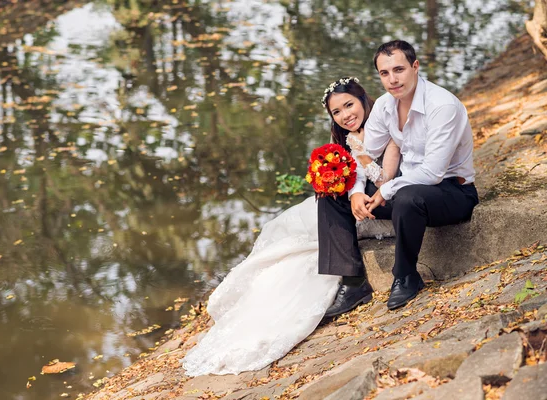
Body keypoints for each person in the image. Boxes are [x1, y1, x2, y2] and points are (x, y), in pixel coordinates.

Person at [181, 78, 400, 376]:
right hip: (364, 201)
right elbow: (353, 180)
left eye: (349, 105)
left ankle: (352, 283)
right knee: (301, 214)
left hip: (394, 198)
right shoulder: (346, 139)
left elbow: (385, 177)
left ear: (363, 100)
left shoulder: (385, 124)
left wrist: (358, 173)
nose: (345, 115)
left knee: (325, 207)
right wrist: (341, 184)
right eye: (336, 112)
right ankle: (337, 277)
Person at [320, 40, 479, 318]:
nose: (392, 80)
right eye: (384, 73)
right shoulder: (384, 106)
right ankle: (353, 282)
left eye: (399, 70)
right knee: (332, 193)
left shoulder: (442, 106)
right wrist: (357, 190)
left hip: (451, 192)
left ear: (415, 67)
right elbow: (366, 153)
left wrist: (388, 188)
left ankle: (406, 276)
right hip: (408, 187)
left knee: (406, 197)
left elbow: (433, 172)